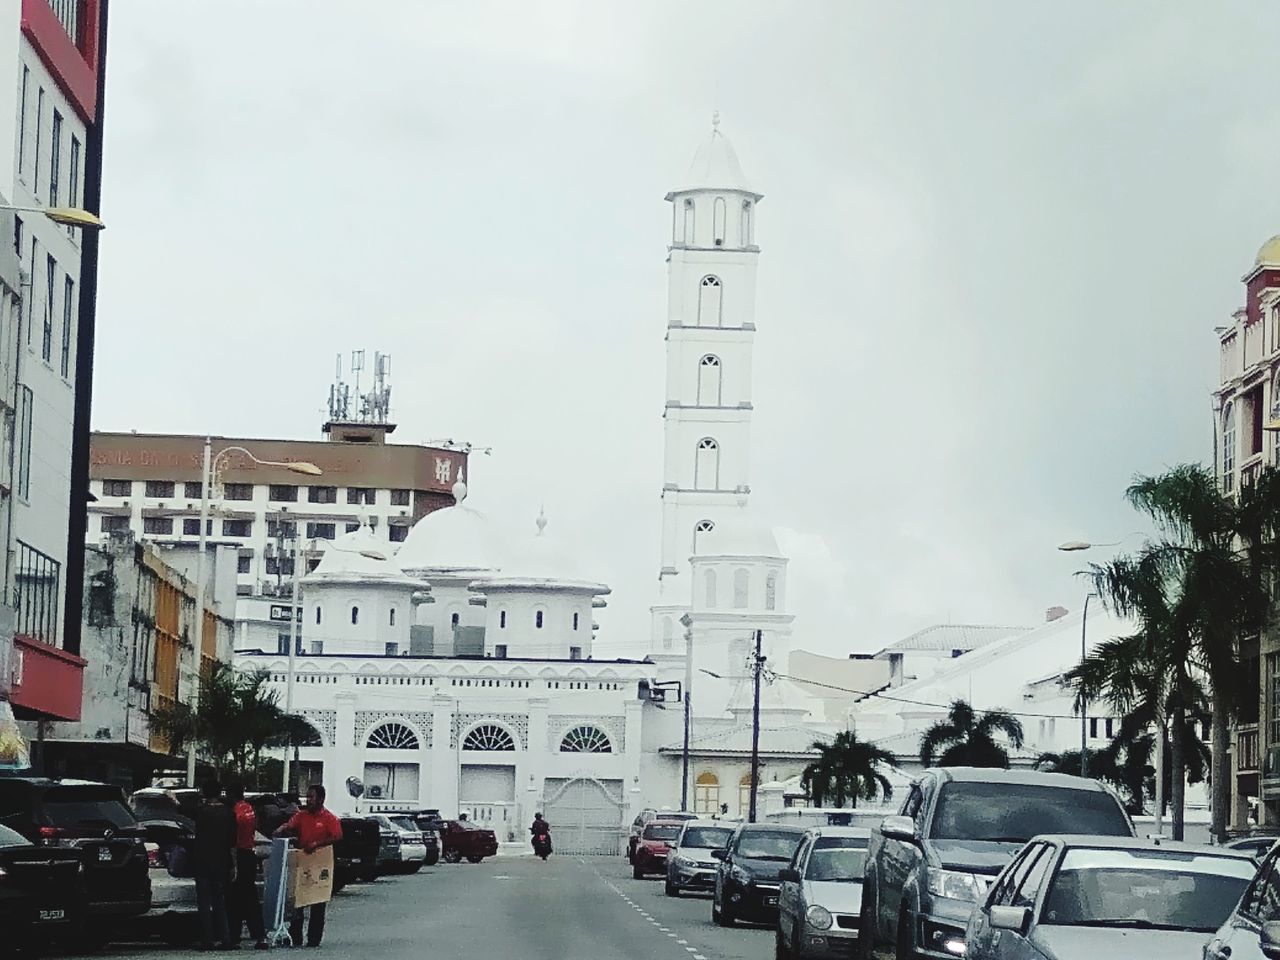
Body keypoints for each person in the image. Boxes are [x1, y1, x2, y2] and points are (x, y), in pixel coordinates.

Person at [274, 785, 343, 948]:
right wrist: (281, 829)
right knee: (298, 899)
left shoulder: (329, 818)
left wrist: (317, 844)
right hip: (303, 862)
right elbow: (290, 825)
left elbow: (337, 836)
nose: (308, 800)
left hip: (320, 863)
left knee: (318, 903)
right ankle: (295, 936)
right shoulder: (302, 815)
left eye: (312, 797)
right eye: (308, 797)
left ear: (321, 799)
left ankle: (313, 939)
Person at [193, 779, 237, 951]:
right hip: (221, 861)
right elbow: (232, 842)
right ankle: (225, 938)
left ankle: (207, 939)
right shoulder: (229, 813)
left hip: (202, 861)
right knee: (220, 901)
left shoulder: (202, 813)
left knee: (204, 902)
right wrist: (234, 864)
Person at [224, 782, 268, 950]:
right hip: (249, 853)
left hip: (238, 855)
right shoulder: (249, 808)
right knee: (250, 897)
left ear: (230, 794)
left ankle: (234, 935)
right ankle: (259, 935)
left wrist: (232, 864)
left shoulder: (234, 812)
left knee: (234, 898)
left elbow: (232, 840)